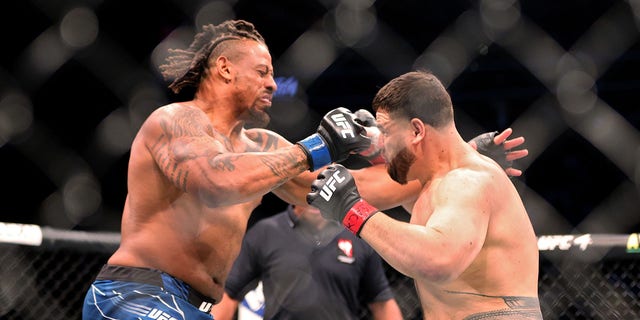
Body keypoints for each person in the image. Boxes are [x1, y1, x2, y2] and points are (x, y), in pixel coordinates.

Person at [81, 18, 527, 319]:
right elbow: (217, 181)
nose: (274, 83)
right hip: (138, 292)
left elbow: (341, 190)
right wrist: (318, 146)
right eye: (262, 71)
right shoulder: (174, 121)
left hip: (196, 306)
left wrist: (452, 158)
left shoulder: (262, 146)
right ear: (223, 69)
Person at [307, 70, 543, 319]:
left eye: (386, 132)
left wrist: (351, 208)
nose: (382, 142)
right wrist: (369, 141)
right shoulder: (435, 185)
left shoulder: (467, 181)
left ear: (417, 131)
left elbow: (439, 259)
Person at [211, 203, 403, 320]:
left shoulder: (356, 237)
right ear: (293, 190)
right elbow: (229, 294)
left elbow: (382, 302)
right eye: (308, 189)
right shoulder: (266, 232)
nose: (315, 197)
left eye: (321, 189)